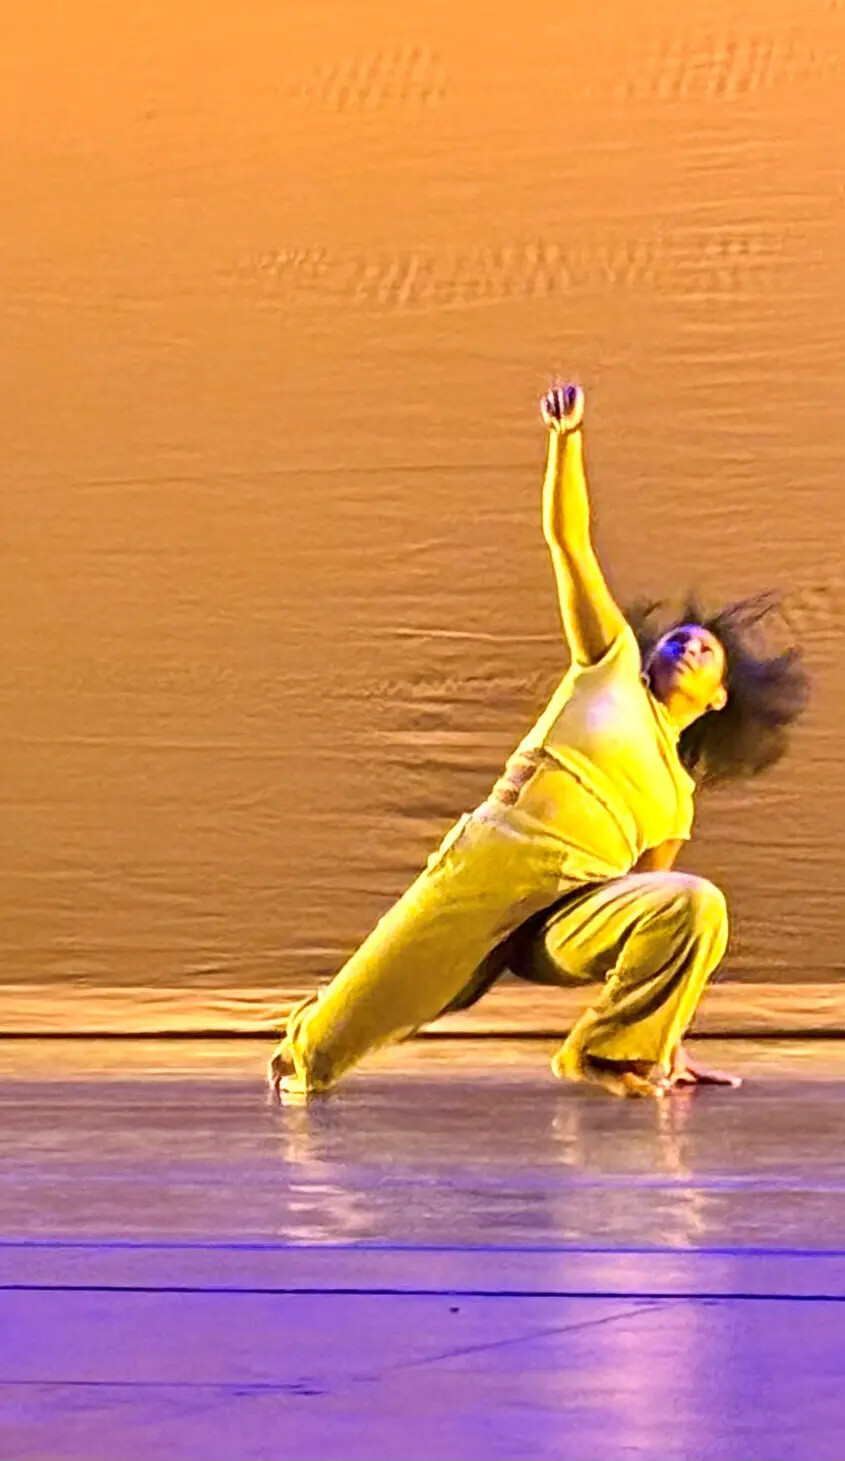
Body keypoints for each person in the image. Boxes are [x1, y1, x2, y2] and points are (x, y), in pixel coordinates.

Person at [269, 383, 808, 1100]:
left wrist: (665, 1041)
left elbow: (654, 911)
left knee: (696, 902)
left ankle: (608, 1054)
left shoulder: (676, 800)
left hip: (569, 915)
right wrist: (569, 438)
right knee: (336, 1036)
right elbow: (570, 541)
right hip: (491, 866)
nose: (685, 646)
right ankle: (300, 1058)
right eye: (679, 637)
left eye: (704, 651)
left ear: (717, 699)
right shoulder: (610, 663)